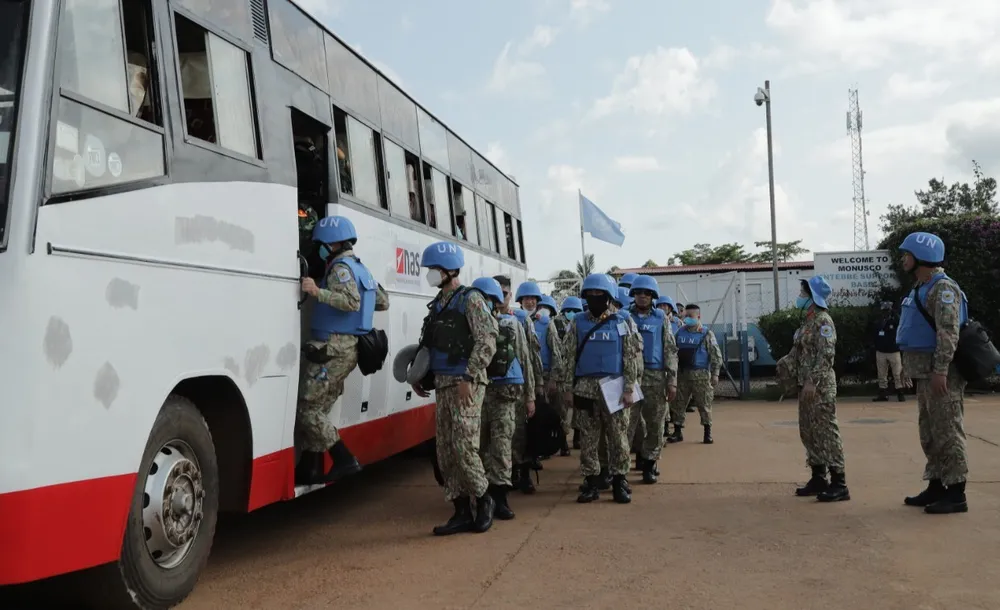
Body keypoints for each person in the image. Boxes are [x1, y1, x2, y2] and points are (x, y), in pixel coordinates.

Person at [296, 215, 389, 486]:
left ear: (333, 243)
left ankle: (344, 459)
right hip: (349, 348)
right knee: (319, 408)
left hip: (334, 348)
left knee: (307, 411)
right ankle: (311, 469)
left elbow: (350, 301)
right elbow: (382, 301)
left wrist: (317, 291)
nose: (319, 248)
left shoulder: (340, 269)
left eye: (322, 243)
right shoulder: (361, 269)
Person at [414, 241, 499, 535]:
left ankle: (485, 498)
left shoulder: (470, 300)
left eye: (434, 270)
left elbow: (487, 340)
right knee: (446, 450)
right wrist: (418, 374)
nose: (431, 275)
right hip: (443, 383)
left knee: (464, 446)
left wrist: (468, 377)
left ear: (450, 270)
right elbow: (430, 343)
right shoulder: (438, 304)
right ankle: (461, 510)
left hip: (466, 383)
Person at [896, 232, 969, 514]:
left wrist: (941, 370)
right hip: (925, 372)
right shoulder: (921, 287)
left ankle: (957, 493)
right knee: (930, 432)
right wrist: (907, 367)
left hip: (942, 374)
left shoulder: (943, 288)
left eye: (906, 254)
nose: (903, 259)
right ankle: (937, 485)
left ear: (920, 257)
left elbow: (948, 333)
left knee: (948, 431)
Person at [558, 274, 644, 504]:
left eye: (600, 295)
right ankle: (591, 481)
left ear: (609, 298)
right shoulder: (577, 321)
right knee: (588, 438)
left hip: (614, 387)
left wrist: (628, 388)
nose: (595, 299)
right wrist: (567, 388)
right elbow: (568, 357)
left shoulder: (622, 322)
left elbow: (630, 357)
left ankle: (619, 480)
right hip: (585, 388)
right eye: (591, 295)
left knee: (618, 436)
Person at [471, 277, 534, 521]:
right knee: (480, 445)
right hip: (479, 391)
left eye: (503, 294)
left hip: (506, 391)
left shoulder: (513, 323)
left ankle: (500, 497)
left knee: (502, 444)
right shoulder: (471, 321)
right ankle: (482, 494)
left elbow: (524, 358)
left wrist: (530, 396)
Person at [785, 276, 850, 503]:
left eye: (803, 293)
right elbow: (799, 352)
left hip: (819, 386)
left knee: (826, 432)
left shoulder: (824, 321)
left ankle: (839, 483)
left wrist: (813, 381)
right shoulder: (807, 321)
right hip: (806, 386)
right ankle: (818, 476)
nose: (799, 297)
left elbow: (826, 356)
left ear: (812, 297)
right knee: (809, 431)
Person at [628, 275, 679, 484]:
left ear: (653, 296)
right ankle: (619, 468)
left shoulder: (660, 318)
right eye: (638, 293)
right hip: (629, 378)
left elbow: (670, 349)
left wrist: (672, 379)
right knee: (626, 425)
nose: (642, 296)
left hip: (655, 377)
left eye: (646, 293)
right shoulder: (624, 316)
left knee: (655, 425)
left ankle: (649, 463)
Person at [499, 278, 543, 493]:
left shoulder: (521, 319)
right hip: (492, 388)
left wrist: (532, 390)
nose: (501, 298)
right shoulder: (481, 318)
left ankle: (523, 474)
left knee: (520, 433)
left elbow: (530, 357)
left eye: (505, 293)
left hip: (516, 386)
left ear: (510, 296)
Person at [667, 304, 722, 445]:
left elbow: (716, 355)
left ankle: (707, 433)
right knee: (678, 404)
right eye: (685, 316)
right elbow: (672, 351)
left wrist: (715, 374)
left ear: (698, 317)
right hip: (682, 375)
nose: (687, 319)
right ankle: (678, 432)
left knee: (704, 404)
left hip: (701, 376)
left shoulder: (706, 333)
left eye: (690, 316)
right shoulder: (680, 333)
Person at [536, 295, 569, 457]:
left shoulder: (549, 325)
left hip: (550, 375)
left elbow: (556, 353)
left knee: (558, 411)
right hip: (535, 375)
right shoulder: (528, 322)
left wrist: (555, 379)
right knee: (541, 413)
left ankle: (562, 443)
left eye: (546, 308)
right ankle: (544, 445)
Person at [555, 296, 584, 449]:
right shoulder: (556, 324)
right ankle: (563, 441)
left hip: (579, 372)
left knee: (580, 408)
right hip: (563, 372)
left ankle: (578, 436)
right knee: (563, 408)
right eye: (568, 311)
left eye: (575, 311)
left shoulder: (581, 324)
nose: (571, 313)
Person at [873, 301, 907, 402]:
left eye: (887, 310)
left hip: (893, 350)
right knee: (881, 374)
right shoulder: (879, 321)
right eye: (884, 310)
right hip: (881, 351)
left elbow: (901, 323)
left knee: (897, 373)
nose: (885, 312)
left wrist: (894, 313)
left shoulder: (895, 320)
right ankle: (883, 394)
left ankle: (900, 393)